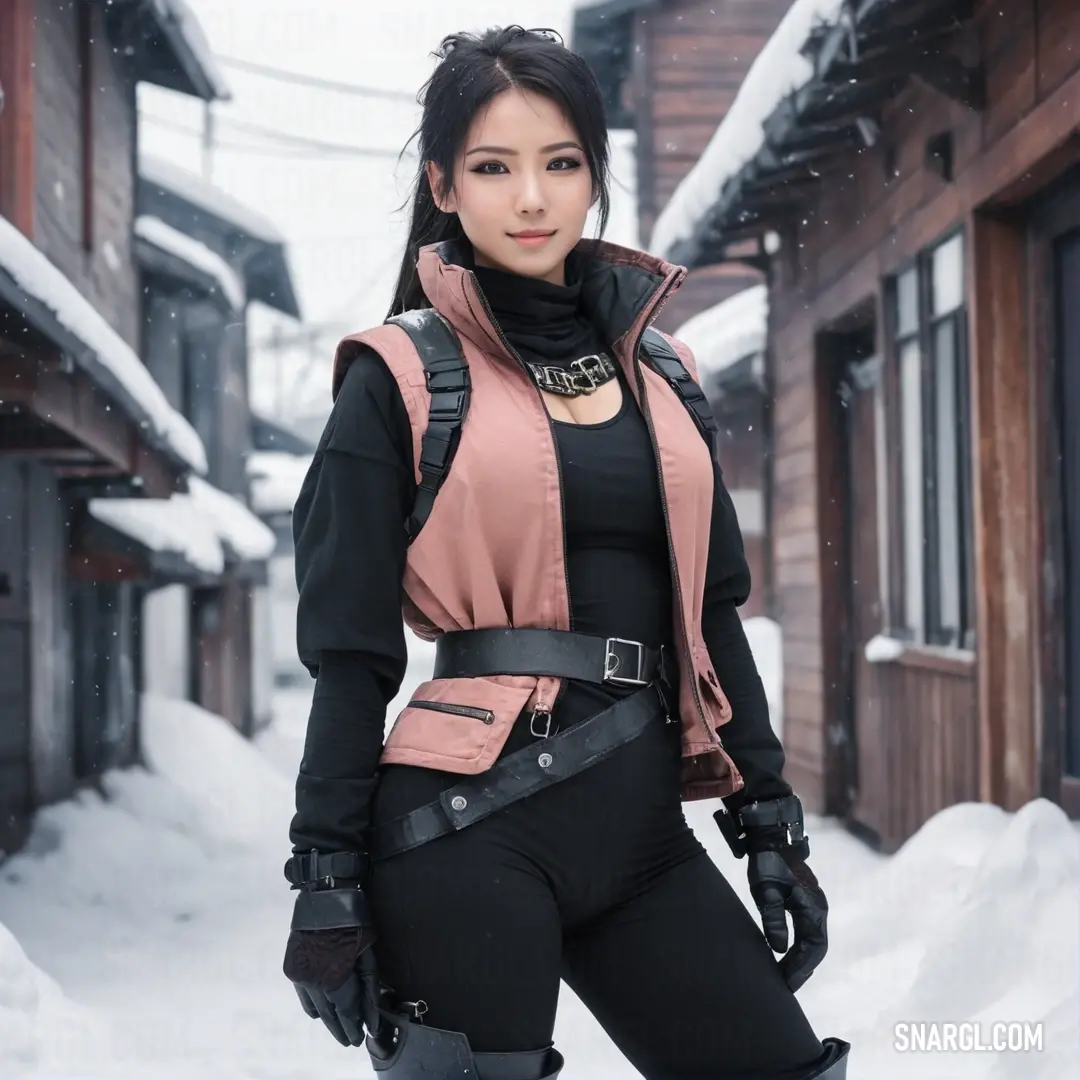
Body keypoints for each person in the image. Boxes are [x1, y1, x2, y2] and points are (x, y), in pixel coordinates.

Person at [280, 25, 849, 1080]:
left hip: (643, 843)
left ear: (593, 176)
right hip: (462, 835)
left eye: (561, 163)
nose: (531, 197)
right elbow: (351, 651)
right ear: (445, 185)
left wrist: (766, 818)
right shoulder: (398, 376)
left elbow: (713, 613)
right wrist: (323, 870)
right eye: (494, 167)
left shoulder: (666, 373)